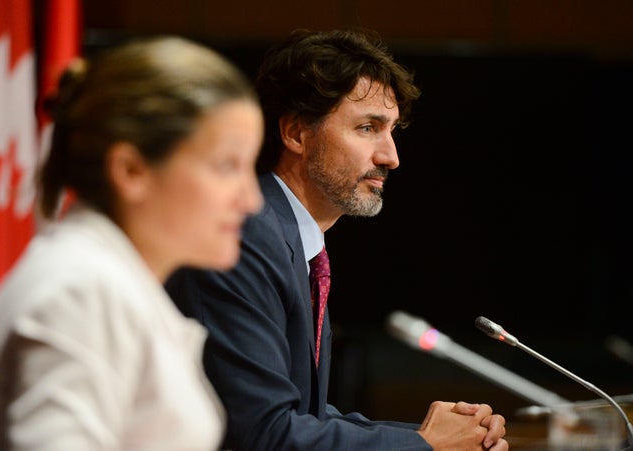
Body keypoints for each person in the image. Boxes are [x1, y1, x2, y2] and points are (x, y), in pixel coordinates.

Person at [165, 28, 509, 450]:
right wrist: (426, 446)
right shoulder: (245, 235)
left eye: (392, 131)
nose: (391, 157)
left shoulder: (289, 238)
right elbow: (263, 433)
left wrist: (436, 435)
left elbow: (305, 416)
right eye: (367, 128)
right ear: (295, 133)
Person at [0, 36, 264, 450]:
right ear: (131, 170)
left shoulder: (105, 277)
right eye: (227, 166)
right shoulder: (82, 290)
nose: (252, 200)